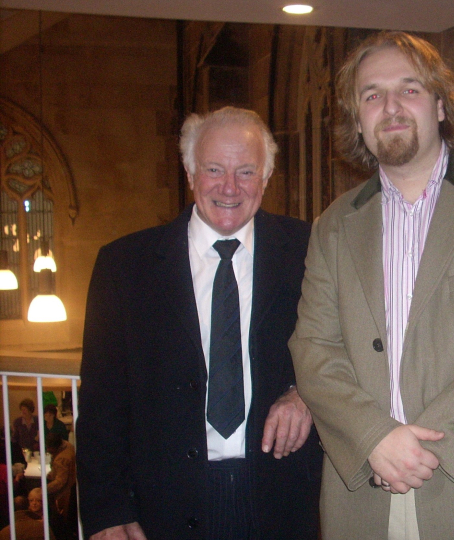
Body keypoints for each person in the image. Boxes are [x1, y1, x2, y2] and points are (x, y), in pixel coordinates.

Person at [289, 31, 454, 539]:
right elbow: (313, 349)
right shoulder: (333, 225)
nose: (390, 107)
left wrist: (417, 451)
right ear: (358, 119)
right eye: (371, 95)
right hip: (364, 496)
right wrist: (374, 438)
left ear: (440, 104)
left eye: (409, 89)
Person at [77, 106, 322, 540]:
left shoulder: (311, 252)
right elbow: (102, 401)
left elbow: (347, 348)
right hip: (164, 506)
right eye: (214, 169)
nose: (229, 187)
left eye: (246, 171)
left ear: (266, 179)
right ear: (190, 173)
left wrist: (305, 393)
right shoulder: (125, 265)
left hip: (283, 498)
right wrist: (106, 511)